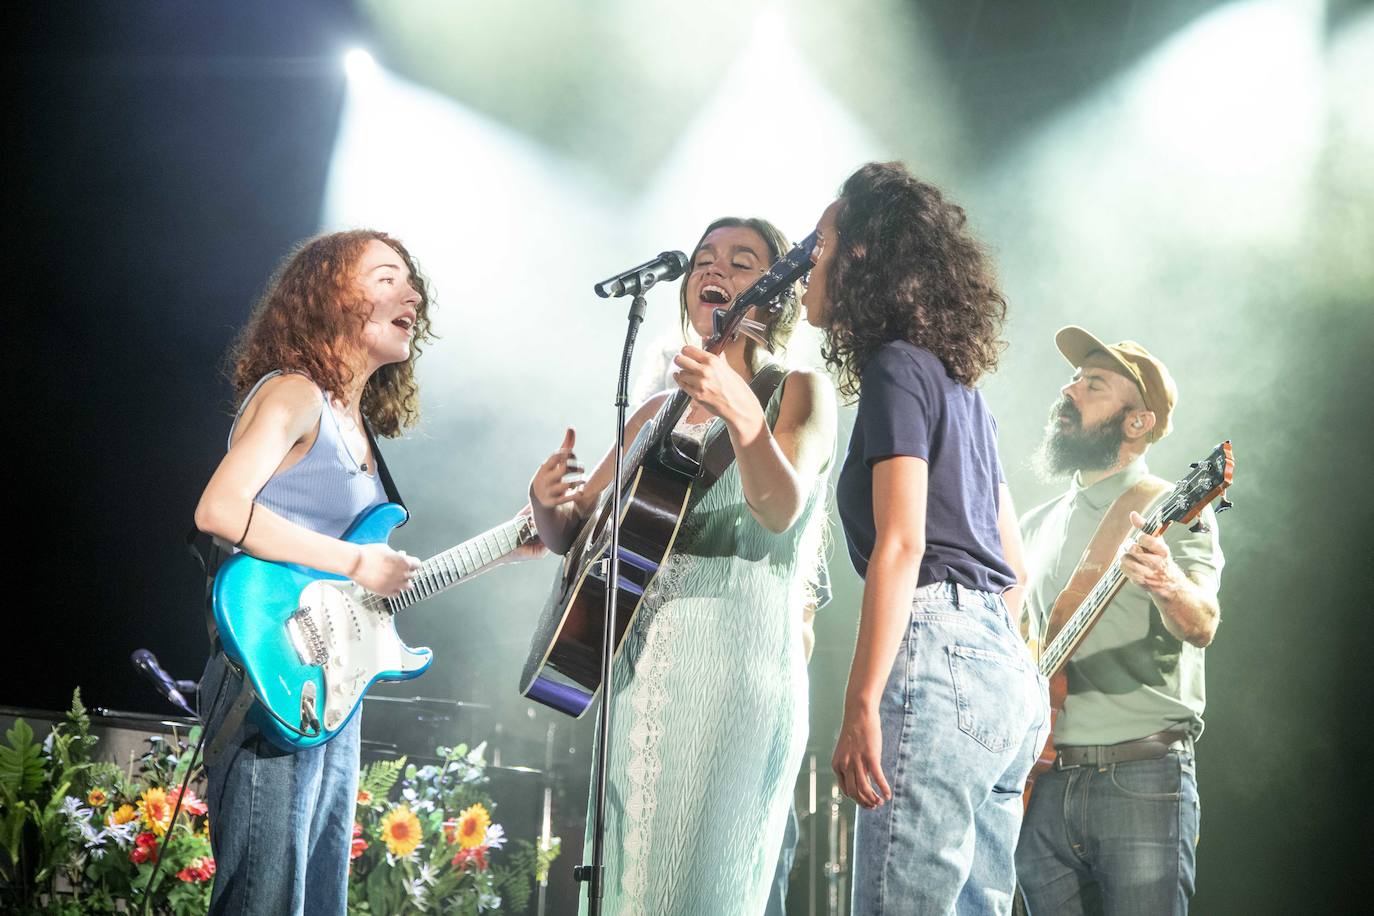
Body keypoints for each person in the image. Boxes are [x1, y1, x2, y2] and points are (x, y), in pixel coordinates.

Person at [528, 216, 837, 916]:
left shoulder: (800, 390)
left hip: (733, 670)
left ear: (777, 294)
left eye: (740, 259)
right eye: (704, 259)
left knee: (698, 886)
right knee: (626, 884)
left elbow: (779, 507)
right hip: (637, 669)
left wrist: (741, 415)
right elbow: (576, 535)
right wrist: (549, 506)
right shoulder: (656, 412)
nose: (714, 269)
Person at [805, 161, 1049, 915]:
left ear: (860, 255)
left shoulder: (894, 368)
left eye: (819, 244)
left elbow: (902, 543)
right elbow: (1014, 568)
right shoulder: (964, 390)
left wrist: (861, 702)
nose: (807, 262)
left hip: (939, 650)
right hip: (1005, 673)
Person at [192, 230, 431, 916]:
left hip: (330, 684)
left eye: (411, 282)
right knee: (264, 900)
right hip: (268, 670)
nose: (411, 295)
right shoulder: (295, 394)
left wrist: (517, 542)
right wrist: (356, 560)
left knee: (319, 899)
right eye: (386, 278)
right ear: (330, 295)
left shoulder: (358, 424)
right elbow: (219, 509)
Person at [1014, 327, 1224, 915]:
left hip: (1142, 778)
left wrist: (1166, 581)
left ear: (1137, 422)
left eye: (1094, 384)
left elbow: (1203, 622)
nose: (1070, 391)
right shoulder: (1033, 524)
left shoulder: (1173, 506)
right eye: (1074, 379)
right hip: (1044, 780)